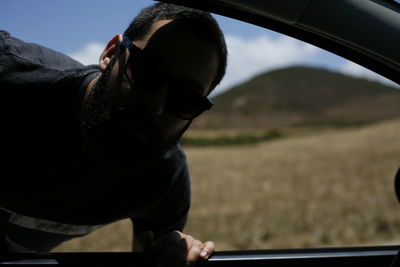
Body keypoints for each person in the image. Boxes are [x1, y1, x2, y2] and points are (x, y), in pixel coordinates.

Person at [0, 2, 227, 266]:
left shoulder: (165, 179)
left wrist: (178, 252)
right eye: (147, 71)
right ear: (110, 54)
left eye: (185, 99)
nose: (155, 106)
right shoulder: (10, 77)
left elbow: (152, 257)